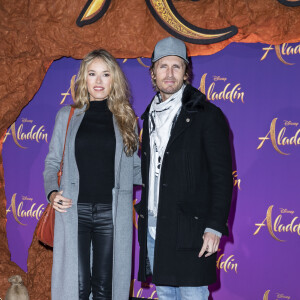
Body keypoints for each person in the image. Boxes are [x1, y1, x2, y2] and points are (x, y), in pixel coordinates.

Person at [135, 37, 233, 300]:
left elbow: (222, 177)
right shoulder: (148, 118)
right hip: (157, 231)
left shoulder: (206, 115)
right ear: (153, 73)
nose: (169, 73)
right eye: (163, 66)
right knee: (165, 294)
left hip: (193, 232)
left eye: (176, 67)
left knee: (193, 295)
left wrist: (214, 227)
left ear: (186, 72)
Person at [43, 49, 141, 300]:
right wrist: (52, 193)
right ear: (83, 79)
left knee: (105, 289)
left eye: (105, 74)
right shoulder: (67, 116)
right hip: (74, 211)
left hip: (112, 214)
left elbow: (134, 168)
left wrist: (169, 172)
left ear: (114, 80)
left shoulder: (125, 118)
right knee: (76, 287)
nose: (98, 81)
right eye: (92, 74)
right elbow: (52, 162)